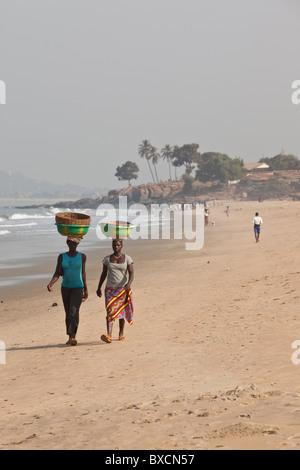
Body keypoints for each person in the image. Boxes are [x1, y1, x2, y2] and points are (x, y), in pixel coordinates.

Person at [47, 237, 88, 346]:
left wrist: (86, 289)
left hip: (78, 288)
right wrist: (51, 283)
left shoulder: (82, 256)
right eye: (71, 243)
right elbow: (57, 273)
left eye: (75, 243)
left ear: (77, 244)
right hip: (65, 288)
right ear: (67, 243)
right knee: (68, 313)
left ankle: (73, 336)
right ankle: (70, 336)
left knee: (73, 311)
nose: (73, 245)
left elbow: (83, 273)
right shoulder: (62, 257)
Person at [97, 239, 134, 343]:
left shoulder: (127, 258)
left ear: (121, 246)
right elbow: (103, 274)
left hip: (123, 289)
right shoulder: (107, 259)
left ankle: (121, 333)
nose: (116, 247)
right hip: (110, 290)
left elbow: (131, 273)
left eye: (118, 245)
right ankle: (109, 335)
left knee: (122, 310)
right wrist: (99, 287)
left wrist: (128, 284)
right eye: (114, 245)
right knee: (110, 311)